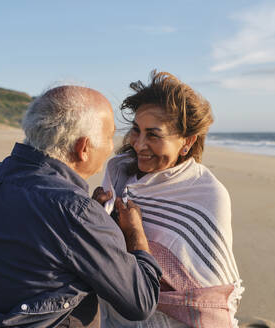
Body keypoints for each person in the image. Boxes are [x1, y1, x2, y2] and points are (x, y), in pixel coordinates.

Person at [0, 86, 162, 328]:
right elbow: (141, 302)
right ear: (83, 148)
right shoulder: (75, 211)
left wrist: (90, 222)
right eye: (110, 136)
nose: (111, 148)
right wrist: (133, 232)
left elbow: (32, 245)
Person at [97, 71, 243, 328]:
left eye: (153, 135)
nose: (139, 144)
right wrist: (94, 216)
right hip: (115, 314)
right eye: (136, 130)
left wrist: (133, 234)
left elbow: (205, 291)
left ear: (186, 142)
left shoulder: (207, 195)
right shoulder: (119, 176)